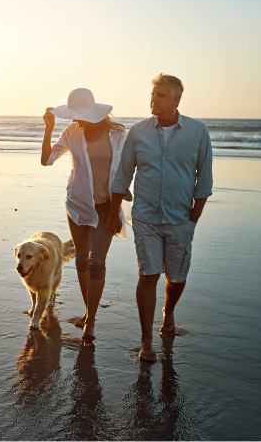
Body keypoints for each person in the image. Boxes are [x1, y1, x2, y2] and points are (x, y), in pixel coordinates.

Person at [107, 74, 213, 361]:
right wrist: (114, 212)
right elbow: (123, 176)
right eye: (152, 93)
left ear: (176, 99)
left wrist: (192, 222)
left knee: (176, 278)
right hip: (145, 217)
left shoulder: (198, 132)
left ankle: (169, 313)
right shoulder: (138, 132)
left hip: (181, 219)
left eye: (160, 95)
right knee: (148, 274)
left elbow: (203, 182)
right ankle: (146, 341)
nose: (153, 99)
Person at [41, 87, 130, 345]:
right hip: (78, 205)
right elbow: (47, 160)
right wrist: (49, 128)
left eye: (77, 114)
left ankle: (90, 323)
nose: (74, 119)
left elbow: (126, 173)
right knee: (81, 260)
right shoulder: (72, 132)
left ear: (92, 112)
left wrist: (116, 212)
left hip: (107, 207)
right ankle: (89, 312)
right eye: (72, 114)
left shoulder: (118, 135)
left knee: (96, 262)